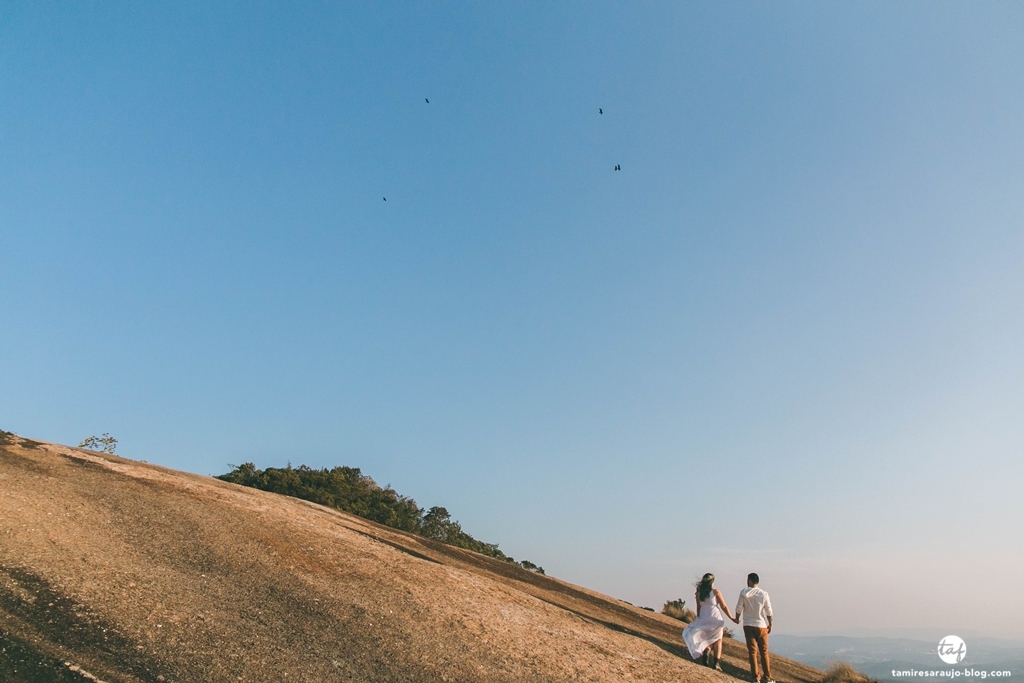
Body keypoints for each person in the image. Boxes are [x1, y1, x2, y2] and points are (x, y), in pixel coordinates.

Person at [682, 573, 737, 671]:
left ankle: (706, 652)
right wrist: (732, 618)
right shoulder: (715, 591)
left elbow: (698, 608)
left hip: (704, 616)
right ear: (712, 581)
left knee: (706, 638)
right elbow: (724, 606)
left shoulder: (699, 593)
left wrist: (699, 619)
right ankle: (716, 663)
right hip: (715, 618)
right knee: (718, 640)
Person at [732, 572, 773, 683]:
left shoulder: (744, 592)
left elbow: (739, 607)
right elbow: (769, 611)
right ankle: (767, 677)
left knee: (752, 652)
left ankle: (755, 677)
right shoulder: (764, 594)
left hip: (748, 624)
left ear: (749, 580)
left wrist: (736, 618)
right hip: (761, 625)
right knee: (764, 651)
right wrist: (770, 624)